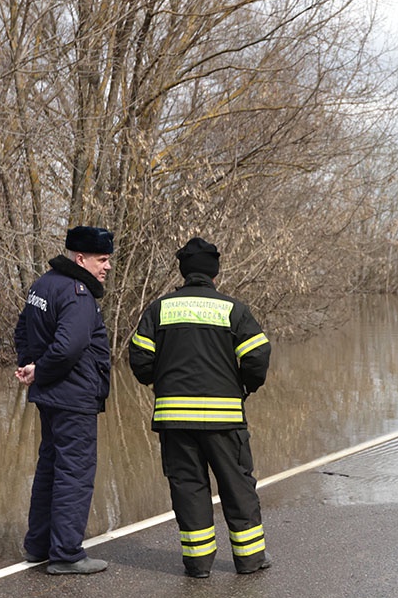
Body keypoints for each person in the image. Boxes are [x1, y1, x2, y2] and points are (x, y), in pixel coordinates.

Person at [129, 236, 272, 578]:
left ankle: (198, 565)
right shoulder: (232, 309)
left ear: (183, 270)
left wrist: (158, 380)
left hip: (174, 420)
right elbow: (257, 356)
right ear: (215, 272)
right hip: (224, 420)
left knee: (188, 488)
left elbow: (138, 358)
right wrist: (246, 387)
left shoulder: (159, 309)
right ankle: (250, 562)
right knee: (237, 487)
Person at [14, 225, 114, 575]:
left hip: (51, 396)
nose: (107, 266)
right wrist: (38, 370)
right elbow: (70, 346)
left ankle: (38, 546)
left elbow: (22, 328)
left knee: (50, 468)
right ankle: (67, 554)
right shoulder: (78, 293)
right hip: (73, 396)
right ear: (80, 258)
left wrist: (29, 365)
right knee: (74, 472)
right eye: (102, 259)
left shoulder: (41, 285)